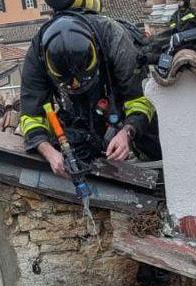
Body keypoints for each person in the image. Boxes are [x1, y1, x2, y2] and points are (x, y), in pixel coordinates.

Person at [18, 10, 161, 178]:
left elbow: (140, 99)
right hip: (76, 109)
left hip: (115, 94)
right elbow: (31, 116)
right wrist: (48, 152)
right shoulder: (37, 54)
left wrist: (127, 133)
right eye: (69, 83)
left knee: (151, 142)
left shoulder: (114, 39)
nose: (76, 85)